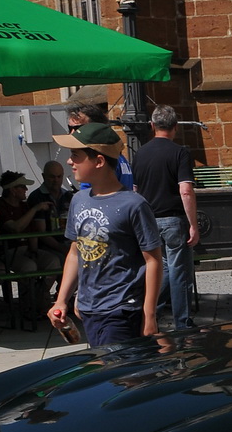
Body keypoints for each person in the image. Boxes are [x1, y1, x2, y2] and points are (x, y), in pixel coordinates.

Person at [47, 121, 161, 347]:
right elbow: (74, 253)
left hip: (122, 310)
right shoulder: (78, 200)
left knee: (121, 378)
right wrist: (62, 300)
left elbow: (153, 260)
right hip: (89, 310)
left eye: (76, 156)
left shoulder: (134, 205)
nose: (70, 161)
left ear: (99, 161)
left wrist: (149, 315)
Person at [131, 104, 199, 330]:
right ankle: (182, 322)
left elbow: (135, 191)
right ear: (175, 128)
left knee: (164, 269)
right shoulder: (180, 153)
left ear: (152, 126)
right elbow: (186, 190)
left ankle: (149, 311)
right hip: (173, 219)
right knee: (179, 273)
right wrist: (193, 224)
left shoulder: (140, 154)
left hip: (148, 220)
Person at [66, 102, 134, 188]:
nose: (72, 133)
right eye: (70, 128)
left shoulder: (93, 164)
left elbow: (93, 198)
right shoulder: (117, 156)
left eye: (78, 128)